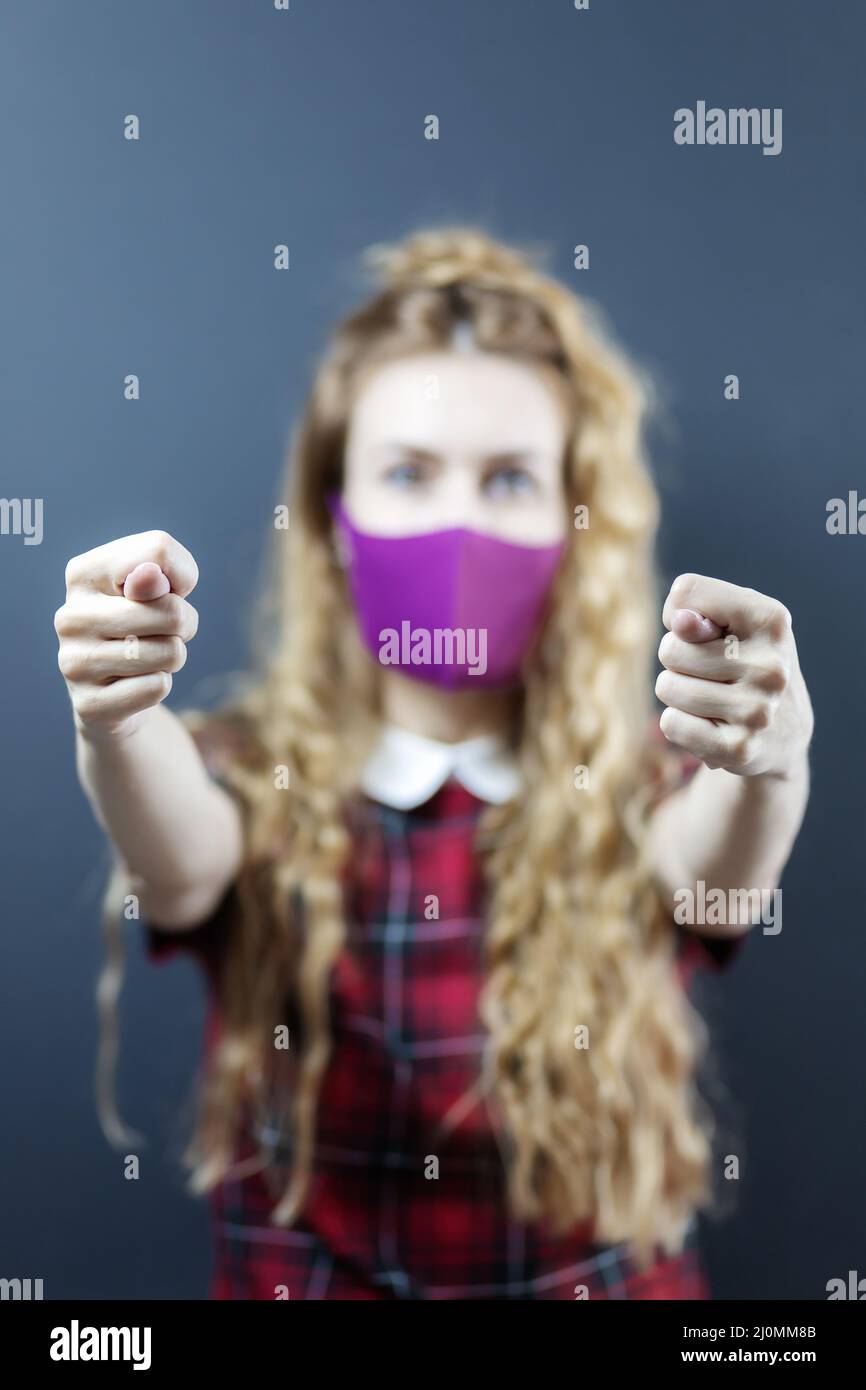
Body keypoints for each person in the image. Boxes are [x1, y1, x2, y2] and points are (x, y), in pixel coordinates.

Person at [54, 227, 813, 1299]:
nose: (456, 518)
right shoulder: (250, 770)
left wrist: (767, 756)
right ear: (336, 517)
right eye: (407, 472)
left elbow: (719, 873)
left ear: (570, 518)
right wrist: (119, 719)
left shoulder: (642, 783)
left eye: (508, 478)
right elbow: (178, 850)